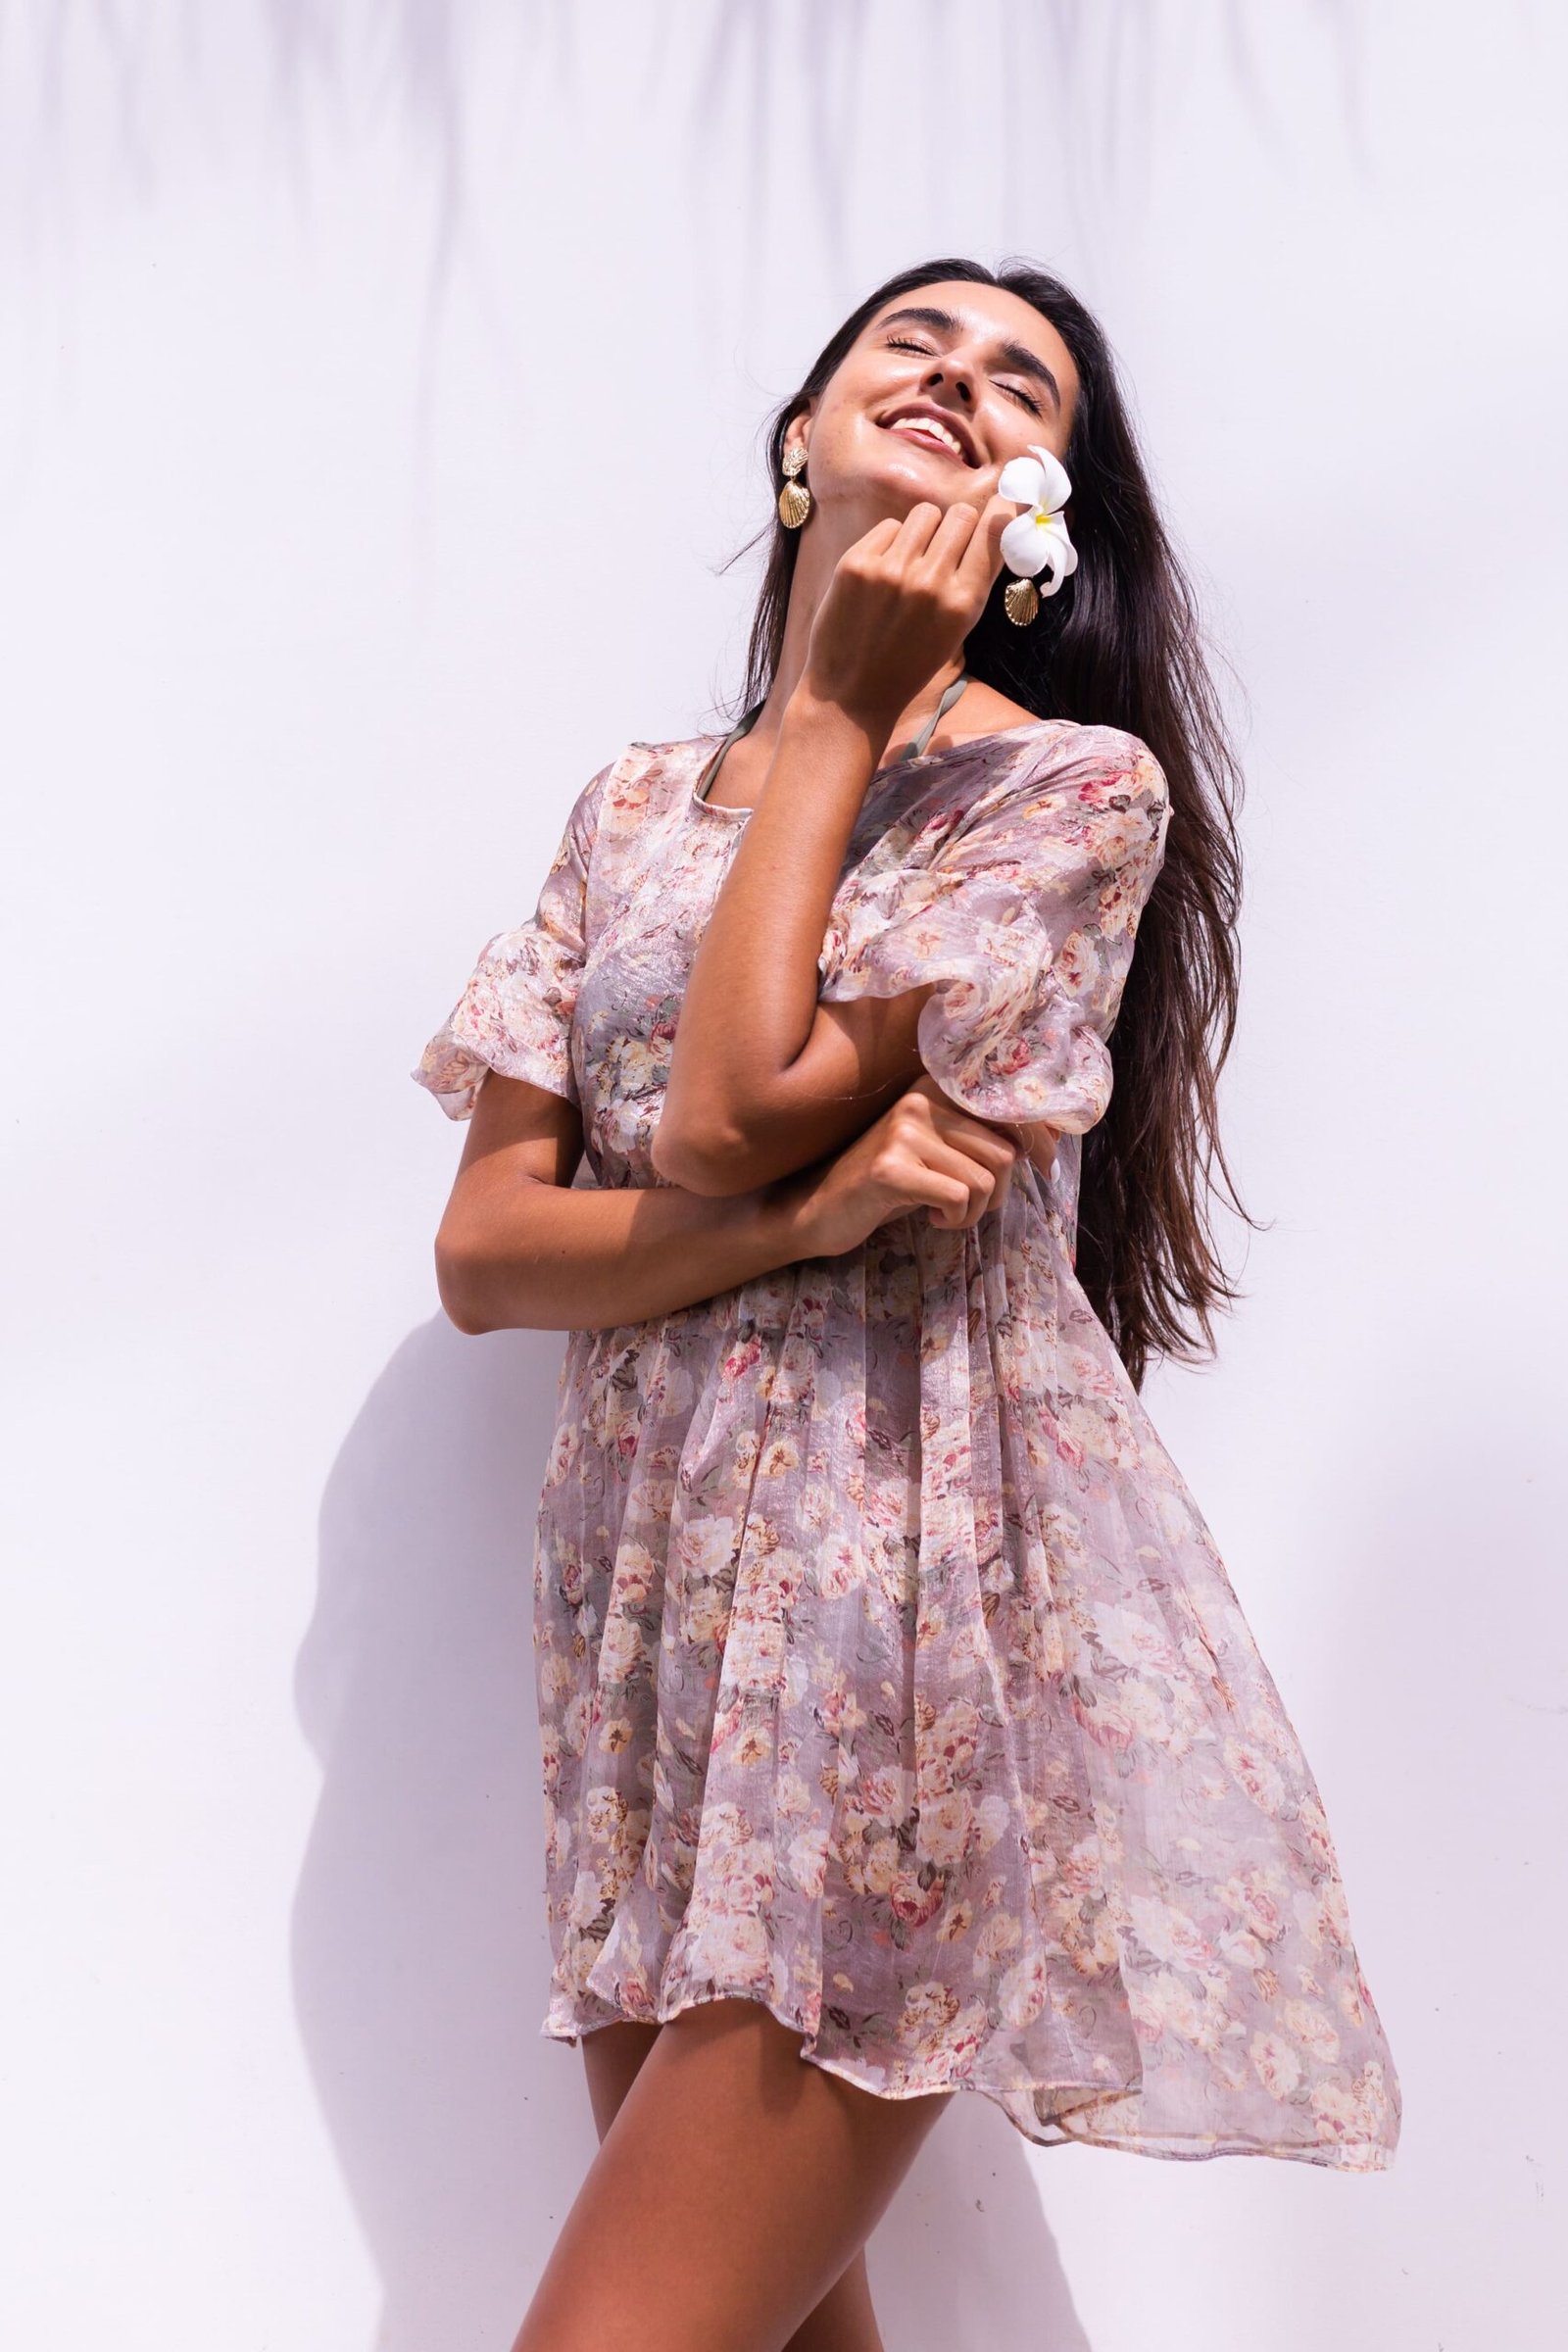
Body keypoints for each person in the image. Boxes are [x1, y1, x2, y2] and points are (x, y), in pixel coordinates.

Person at [413, 257, 1401, 2352]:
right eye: (911, 344)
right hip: (653, 1626)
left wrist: (844, 714)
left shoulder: (1067, 795)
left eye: (1019, 382)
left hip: (889, 1625)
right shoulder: (627, 808)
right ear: (801, 440)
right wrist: (810, 1219)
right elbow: (488, 1251)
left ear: (1046, 514)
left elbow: (716, 1115)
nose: (956, 378)